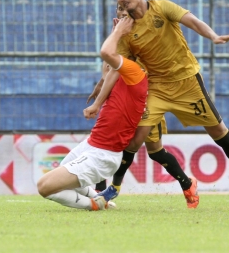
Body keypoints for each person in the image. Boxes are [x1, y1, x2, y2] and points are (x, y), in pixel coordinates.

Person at [98, 0, 229, 209]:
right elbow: (116, 65)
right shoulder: (126, 30)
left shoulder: (162, 7)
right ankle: (115, 188)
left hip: (187, 82)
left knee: (219, 132)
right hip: (157, 87)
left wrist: (213, 36)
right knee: (136, 139)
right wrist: (101, 89)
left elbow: (192, 21)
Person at [89, 5, 199, 208]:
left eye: (126, 16)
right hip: (120, 104)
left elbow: (127, 67)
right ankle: (100, 191)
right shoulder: (117, 40)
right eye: (119, 15)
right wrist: (100, 87)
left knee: (155, 151)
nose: (122, 19)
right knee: (108, 143)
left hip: (146, 103)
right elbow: (110, 68)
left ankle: (186, 183)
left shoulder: (143, 44)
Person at [36, 16, 147, 211]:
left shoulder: (136, 72)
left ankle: (93, 205)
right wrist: (118, 33)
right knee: (61, 183)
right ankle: (100, 198)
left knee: (45, 186)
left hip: (104, 154)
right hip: (91, 144)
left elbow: (107, 53)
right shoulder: (118, 74)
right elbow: (109, 66)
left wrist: (119, 32)